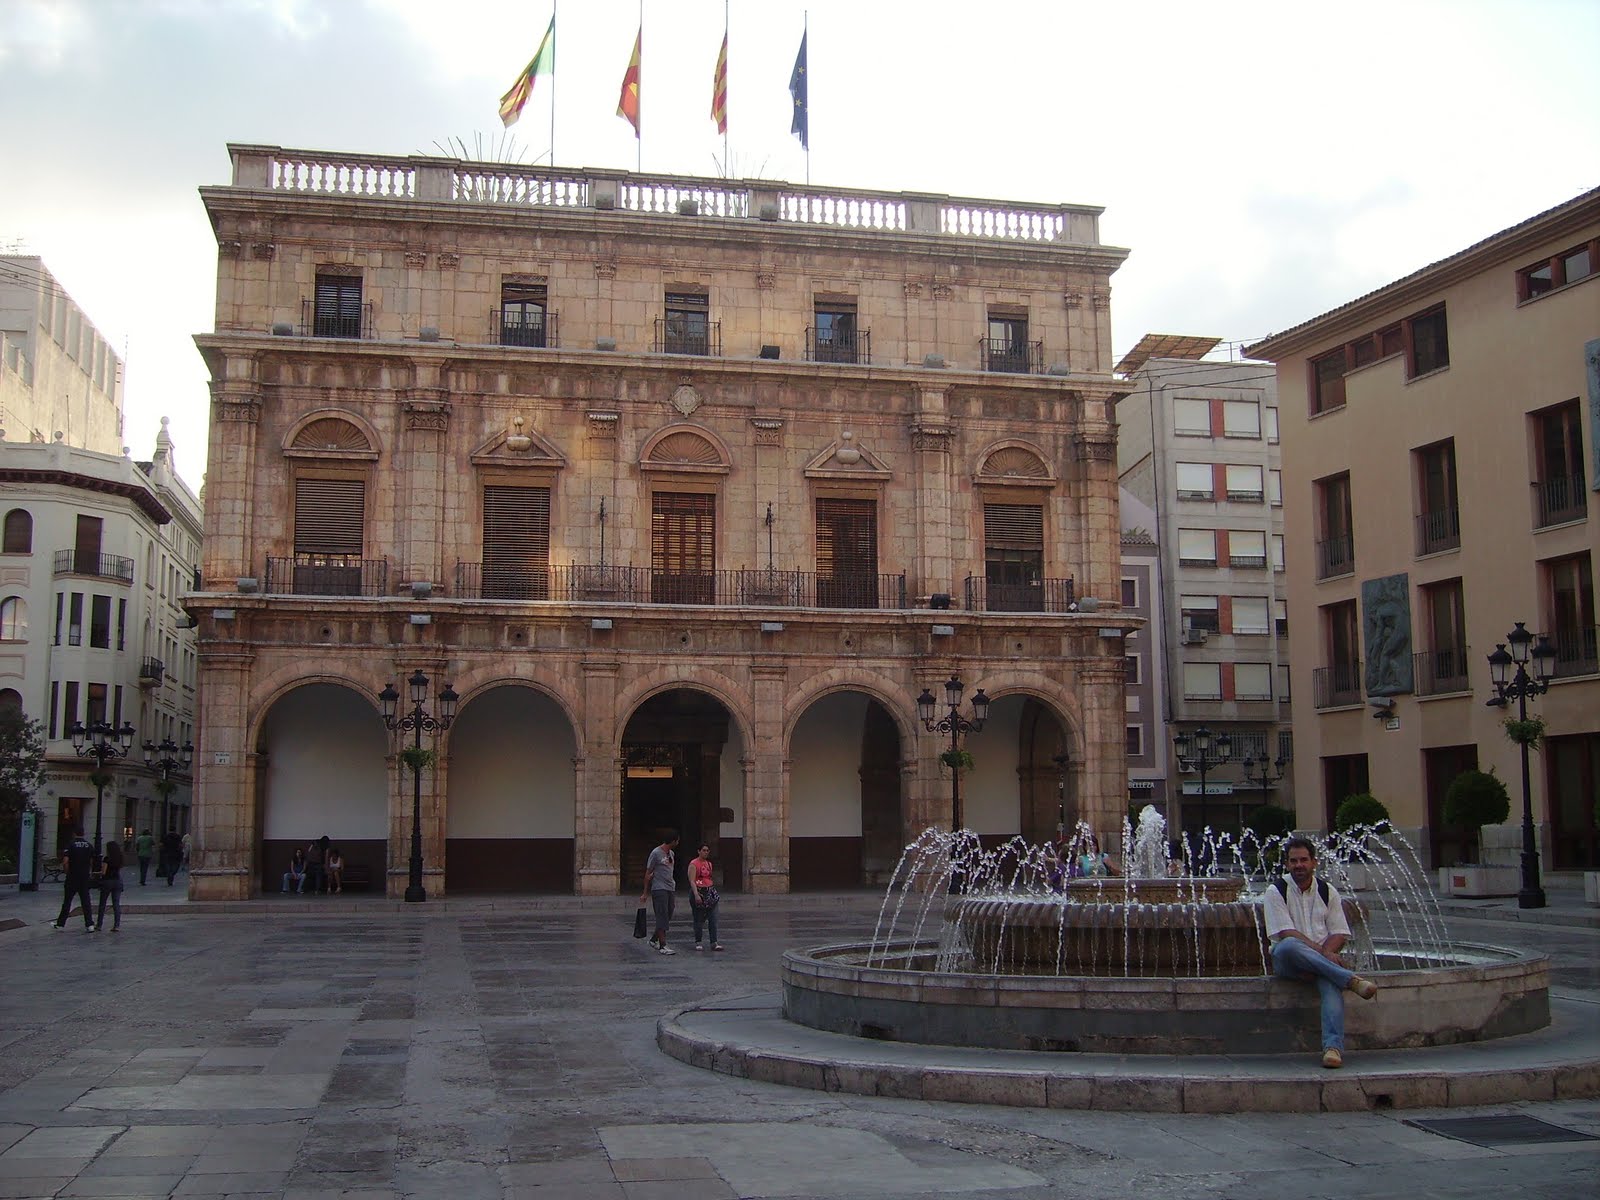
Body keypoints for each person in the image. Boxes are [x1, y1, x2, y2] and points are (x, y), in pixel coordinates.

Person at [1262, 836, 1379, 1069]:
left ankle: (1332, 1049)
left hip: (1319, 961)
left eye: (1303, 860)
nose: (1299, 865)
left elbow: (1339, 933)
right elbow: (1285, 932)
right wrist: (1325, 955)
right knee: (1291, 945)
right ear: (1286, 864)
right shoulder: (1276, 891)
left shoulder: (1327, 891)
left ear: (1314, 862)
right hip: (1288, 960)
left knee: (1329, 981)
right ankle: (1351, 980)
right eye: (1293, 861)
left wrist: (1323, 956)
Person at [640, 830, 679, 955]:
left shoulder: (671, 853)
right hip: (659, 888)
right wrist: (645, 892)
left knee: (669, 913)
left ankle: (653, 939)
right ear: (673, 841)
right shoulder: (656, 853)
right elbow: (648, 872)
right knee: (661, 915)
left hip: (670, 887)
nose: (678, 843)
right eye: (677, 841)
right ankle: (663, 945)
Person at [54, 827, 96, 931]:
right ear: (83, 833)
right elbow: (92, 861)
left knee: (67, 901)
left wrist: (67, 872)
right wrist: (89, 872)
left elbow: (65, 861)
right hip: (84, 876)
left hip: (72, 876)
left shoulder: (70, 845)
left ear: (74, 833)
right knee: (85, 900)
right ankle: (89, 924)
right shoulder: (89, 845)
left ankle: (60, 924)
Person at [689, 843, 723, 951]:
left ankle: (714, 942)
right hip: (699, 891)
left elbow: (709, 877)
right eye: (704, 850)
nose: (706, 852)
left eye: (707, 850)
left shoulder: (709, 864)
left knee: (713, 918)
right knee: (698, 919)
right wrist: (696, 894)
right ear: (699, 851)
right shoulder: (694, 864)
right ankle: (698, 941)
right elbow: (692, 880)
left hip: (709, 891)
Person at [95, 838, 125, 932]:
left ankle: (99, 925)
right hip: (118, 881)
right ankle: (116, 925)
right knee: (116, 904)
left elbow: (103, 872)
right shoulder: (119, 858)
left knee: (102, 903)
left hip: (107, 881)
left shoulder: (107, 859)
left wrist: (95, 873)